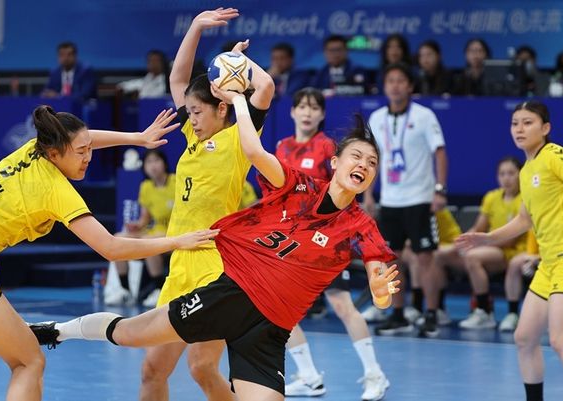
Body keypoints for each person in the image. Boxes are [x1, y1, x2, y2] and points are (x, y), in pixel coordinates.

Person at [29, 93, 400, 401]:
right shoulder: (300, 186)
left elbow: (380, 285)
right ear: (335, 162)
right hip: (231, 295)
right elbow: (253, 150)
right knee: (130, 334)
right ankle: (59, 330)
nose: (364, 165)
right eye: (357, 157)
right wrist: (239, 99)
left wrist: (380, 292)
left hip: (270, 330)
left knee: (204, 369)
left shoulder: (362, 227)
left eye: (372, 163)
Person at [0, 105, 218, 401]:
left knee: (25, 352)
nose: (88, 157)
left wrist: (137, 137)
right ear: (55, 154)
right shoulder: (56, 190)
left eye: (89, 149)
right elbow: (111, 248)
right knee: (28, 361)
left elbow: (83, 136)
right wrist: (177, 241)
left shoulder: (34, 148)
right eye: (81, 152)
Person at [138, 8, 276, 401]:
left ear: (222, 108)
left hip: (216, 269)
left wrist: (237, 65)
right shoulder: (192, 137)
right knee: (152, 371)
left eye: (198, 111)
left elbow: (265, 87)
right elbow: (178, 79)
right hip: (180, 265)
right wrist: (197, 26)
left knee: (201, 368)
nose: (192, 118)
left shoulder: (238, 140)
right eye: (191, 112)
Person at [457, 100, 563, 401]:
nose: (519, 129)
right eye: (515, 123)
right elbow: (524, 220)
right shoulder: (526, 171)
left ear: (545, 128)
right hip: (548, 263)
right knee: (524, 337)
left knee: (561, 340)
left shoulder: (555, 154)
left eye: (527, 122)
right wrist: (488, 238)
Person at [275, 87, 389, 401]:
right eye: (302, 106)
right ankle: (309, 377)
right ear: (292, 111)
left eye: (314, 107)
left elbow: (348, 187)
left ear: (322, 114)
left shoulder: (328, 147)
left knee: (342, 305)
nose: (307, 112)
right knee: (281, 308)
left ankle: (375, 374)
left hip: (328, 238)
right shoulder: (282, 147)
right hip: (294, 240)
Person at [364, 62, 448, 338]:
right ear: (385, 86)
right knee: (391, 260)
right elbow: (372, 159)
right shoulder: (377, 118)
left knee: (425, 258)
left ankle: (431, 313)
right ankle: (398, 314)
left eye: (401, 81)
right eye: (391, 81)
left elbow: (439, 152)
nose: (396, 86)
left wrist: (439, 189)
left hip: (420, 198)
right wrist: (369, 193)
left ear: (410, 86)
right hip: (390, 201)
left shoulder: (424, 116)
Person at [433, 157, 527, 330]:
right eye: (502, 174)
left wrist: (478, 244)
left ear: (521, 174)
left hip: (513, 251)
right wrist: (462, 243)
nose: (506, 178)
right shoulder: (491, 197)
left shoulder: (524, 199)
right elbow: (478, 227)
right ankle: (438, 310)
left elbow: (510, 239)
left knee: (473, 257)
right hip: (489, 248)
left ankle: (484, 311)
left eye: (511, 173)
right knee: (440, 256)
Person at [105, 149, 176, 307]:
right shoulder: (146, 187)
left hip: (175, 231)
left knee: (149, 242)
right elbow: (145, 218)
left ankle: (159, 290)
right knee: (118, 238)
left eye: (156, 161)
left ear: (164, 163)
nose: (153, 166)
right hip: (155, 231)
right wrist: (136, 225)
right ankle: (125, 291)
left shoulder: (176, 181)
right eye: (149, 162)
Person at [501, 230, 540, 332]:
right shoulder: (535, 226)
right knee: (515, 263)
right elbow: (531, 252)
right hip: (542, 259)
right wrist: (530, 262)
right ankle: (512, 313)